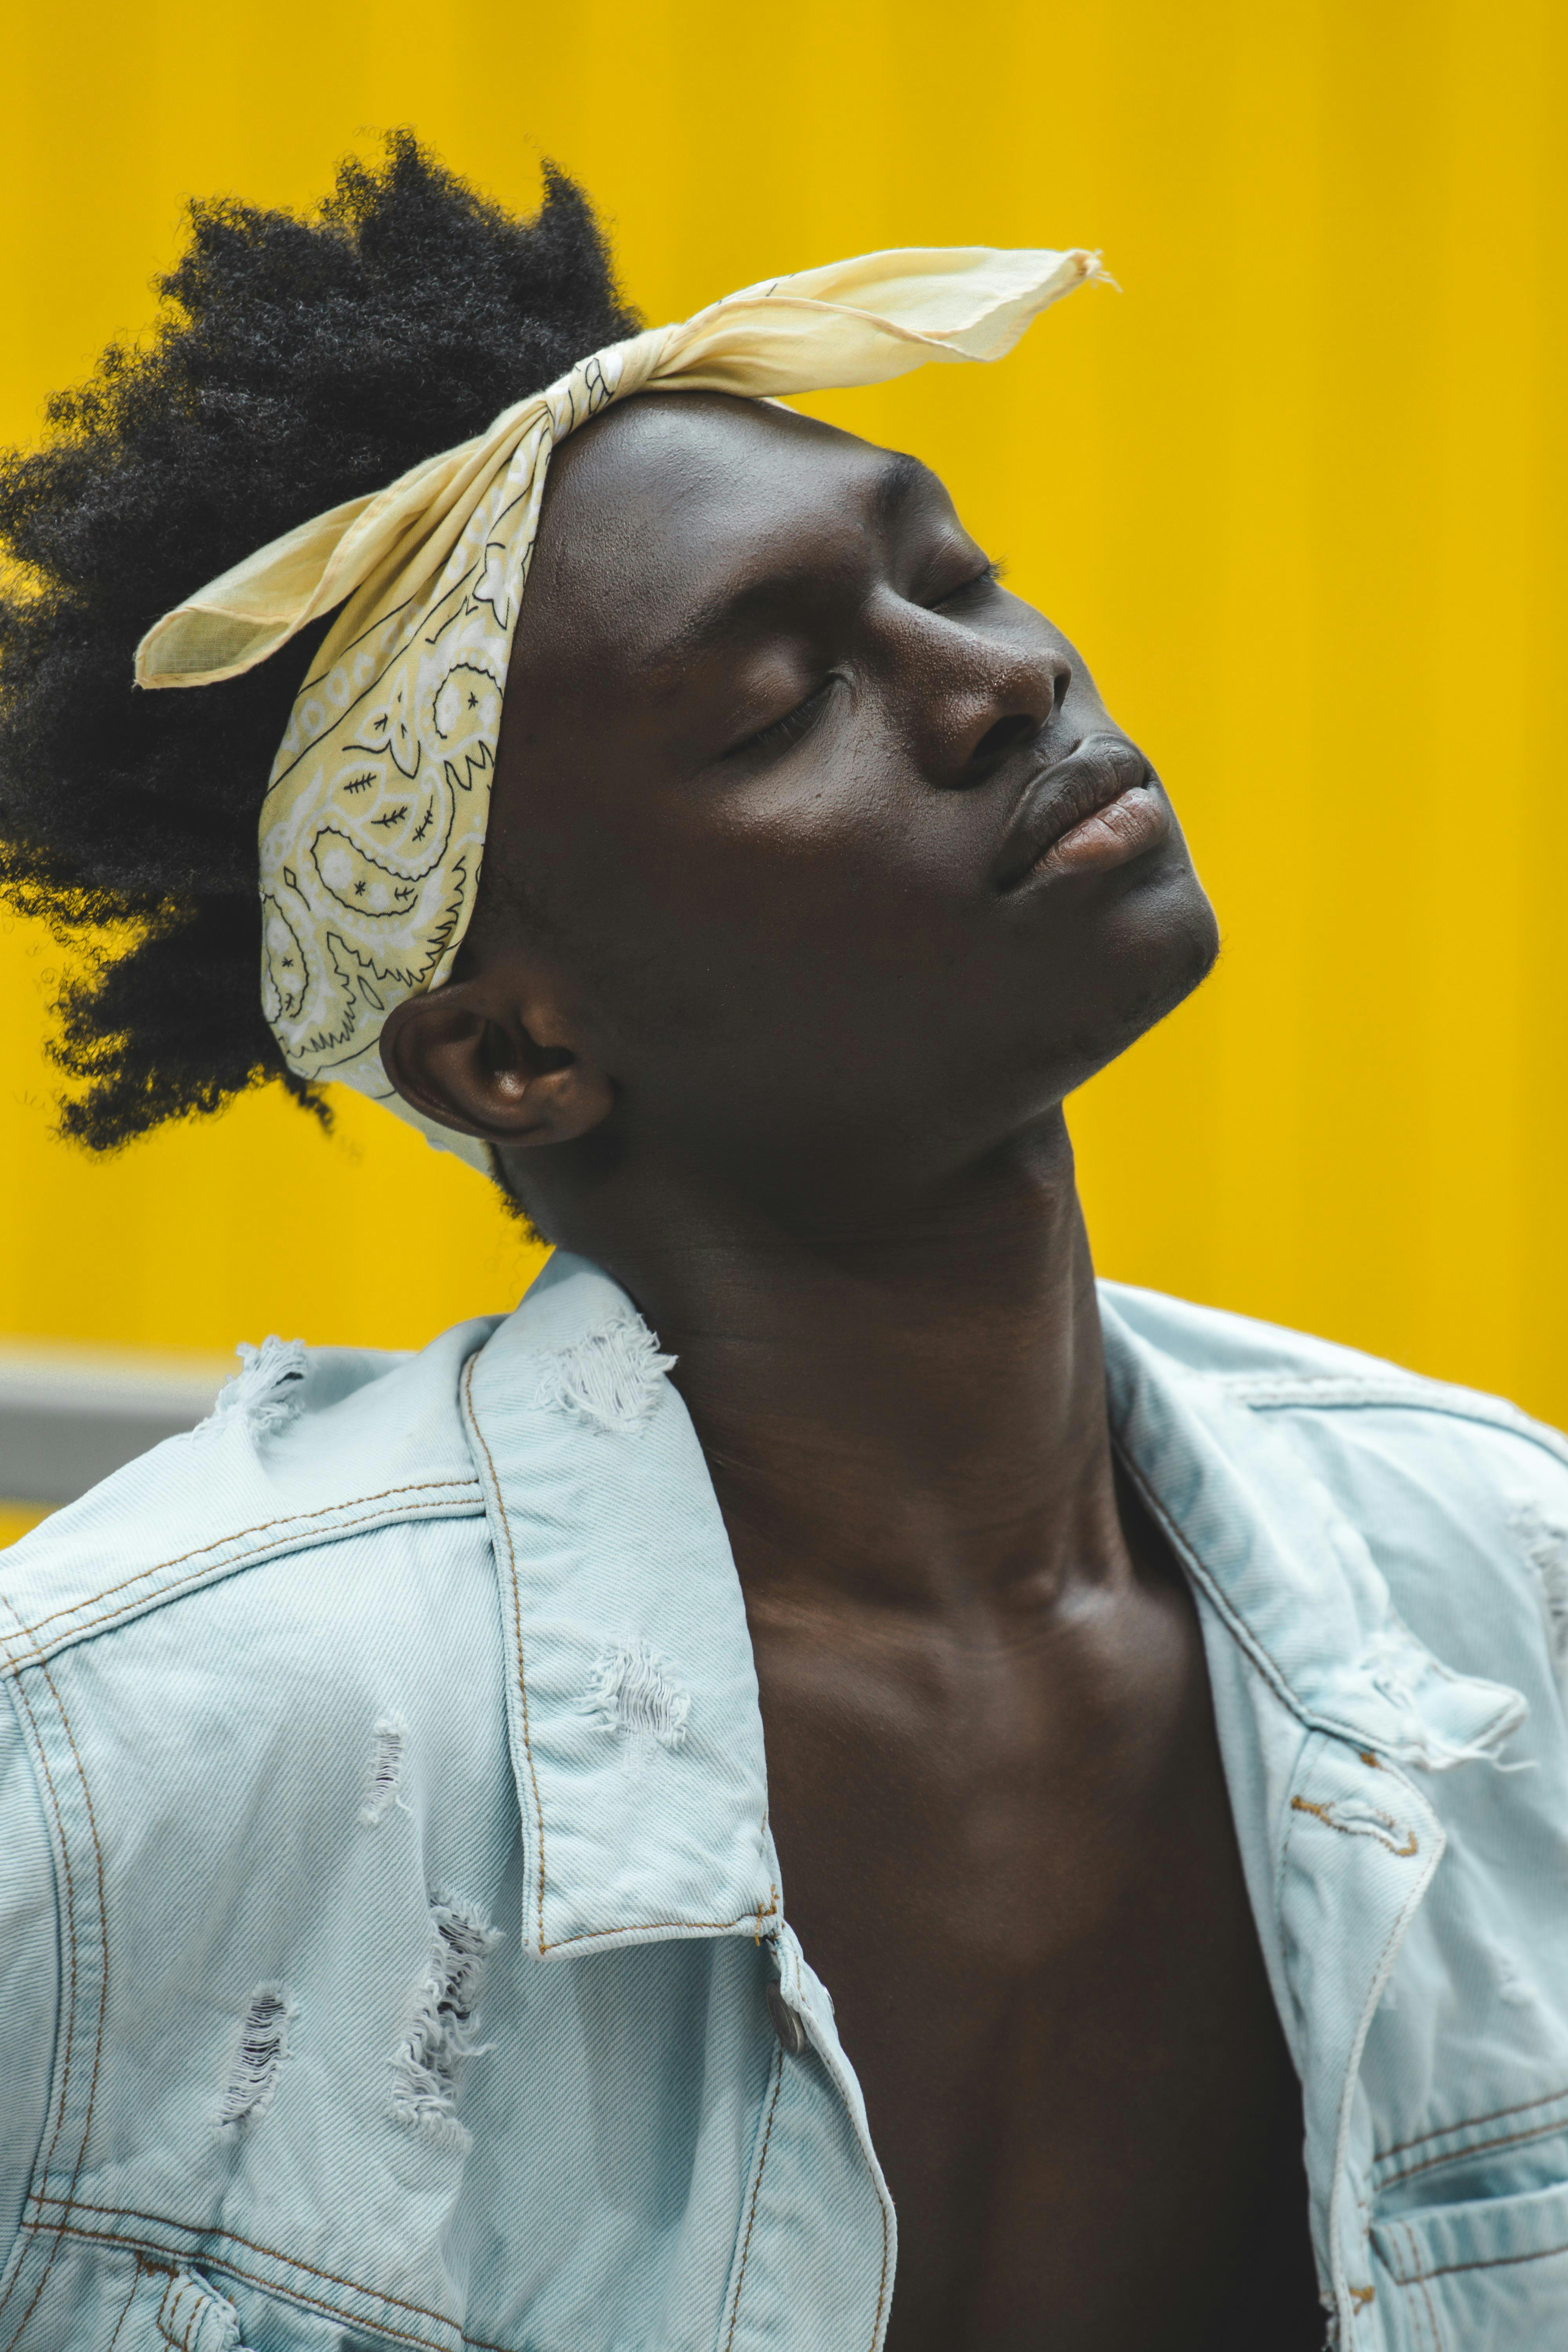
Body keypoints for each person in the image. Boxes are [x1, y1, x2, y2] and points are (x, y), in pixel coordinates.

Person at [1, 138, 1565, 2352]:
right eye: (779, 703)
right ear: (512, 1054)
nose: (1000, 682)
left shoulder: (1504, 1586)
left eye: (956, 573)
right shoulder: (133, 1755)